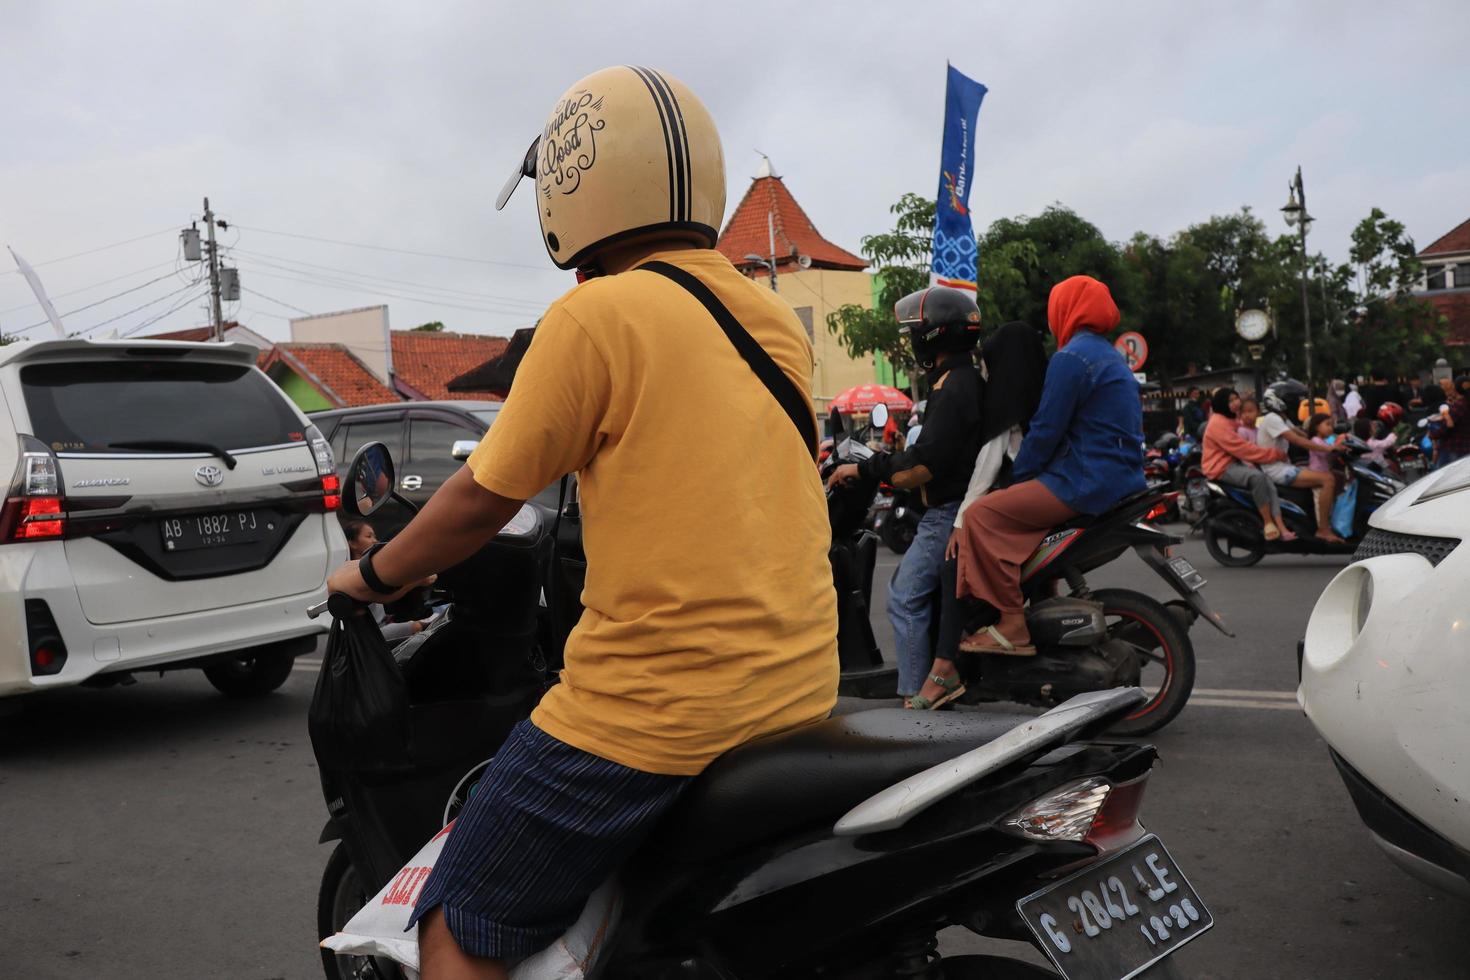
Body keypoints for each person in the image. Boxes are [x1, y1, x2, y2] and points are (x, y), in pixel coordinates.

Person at [324, 67, 839, 979]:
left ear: (572, 183)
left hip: (655, 709)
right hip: (800, 687)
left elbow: (482, 498)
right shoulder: (772, 319)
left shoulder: (595, 316)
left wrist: (370, 577)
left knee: (455, 927)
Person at [953, 276, 1144, 655]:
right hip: (1120, 478)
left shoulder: (1071, 359)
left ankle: (1011, 622)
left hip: (1084, 480)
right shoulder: (1109, 356)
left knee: (981, 516)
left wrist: (1016, 481)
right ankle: (1044, 601)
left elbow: (1044, 431)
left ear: (1065, 311)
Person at [827, 286, 983, 705]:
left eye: (917, 330)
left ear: (934, 335)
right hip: (955, 506)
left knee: (903, 597)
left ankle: (915, 697)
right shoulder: (961, 381)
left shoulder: (953, 389)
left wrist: (866, 468)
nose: (914, 338)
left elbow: (921, 467)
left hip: (945, 512)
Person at [910, 321, 1049, 708]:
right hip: (1048, 501)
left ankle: (943, 668)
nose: (986, 372)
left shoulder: (1005, 402)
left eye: (990, 363)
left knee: (953, 566)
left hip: (1015, 504)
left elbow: (987, 466)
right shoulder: (1041, 394)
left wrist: (960, 524)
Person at [1202, 388, 1290, 541]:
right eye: (1230, 400)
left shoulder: (1231, 419)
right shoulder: (1218, 423)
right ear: (1222, 404)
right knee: (1258, 478)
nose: (1236, 403)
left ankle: (1281, 525)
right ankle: (1268, 522)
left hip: (1234, 463)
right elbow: (1243, 449)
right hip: (1222, 468)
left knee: (1268, 481)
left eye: (1236, 398)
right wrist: (1273, 454)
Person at [1257, 388, 1344, 542]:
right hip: (1276, 470)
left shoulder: (1281, 418)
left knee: (1335, 476)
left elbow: (1302, 434)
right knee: (1328, 479)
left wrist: (1332, 440)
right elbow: (1297, 440)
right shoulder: (1272, 418)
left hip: (1285, 466)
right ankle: (1323, 529)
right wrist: (1328, 447)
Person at [339, 518, 434, 642]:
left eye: (375, 536)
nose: (375, 540)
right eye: (369, 536)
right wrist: (418, 581)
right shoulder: (355, 572)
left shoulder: (369, 568)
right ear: (352, 543)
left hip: (384, 625)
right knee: (421, 626)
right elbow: (384, 596)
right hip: (371, 633)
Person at [1235, 398, 1294, 540]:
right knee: (1272, 490)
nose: (1247, 415)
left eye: (1251, 411)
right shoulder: (1242, 431)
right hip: (1253, 469)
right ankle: (1280, 527)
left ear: (1258, 413)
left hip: (1264, 466)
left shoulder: (1258, 430)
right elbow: (1244, 454)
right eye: (1244, 412)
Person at [1435, 376, 1470, 467]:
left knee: (1442, 477)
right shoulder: (1464, 403)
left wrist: (1434, 434)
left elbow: (1448, 426)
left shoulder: (1459, 405)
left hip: (1454, 448)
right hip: (1465, 447)